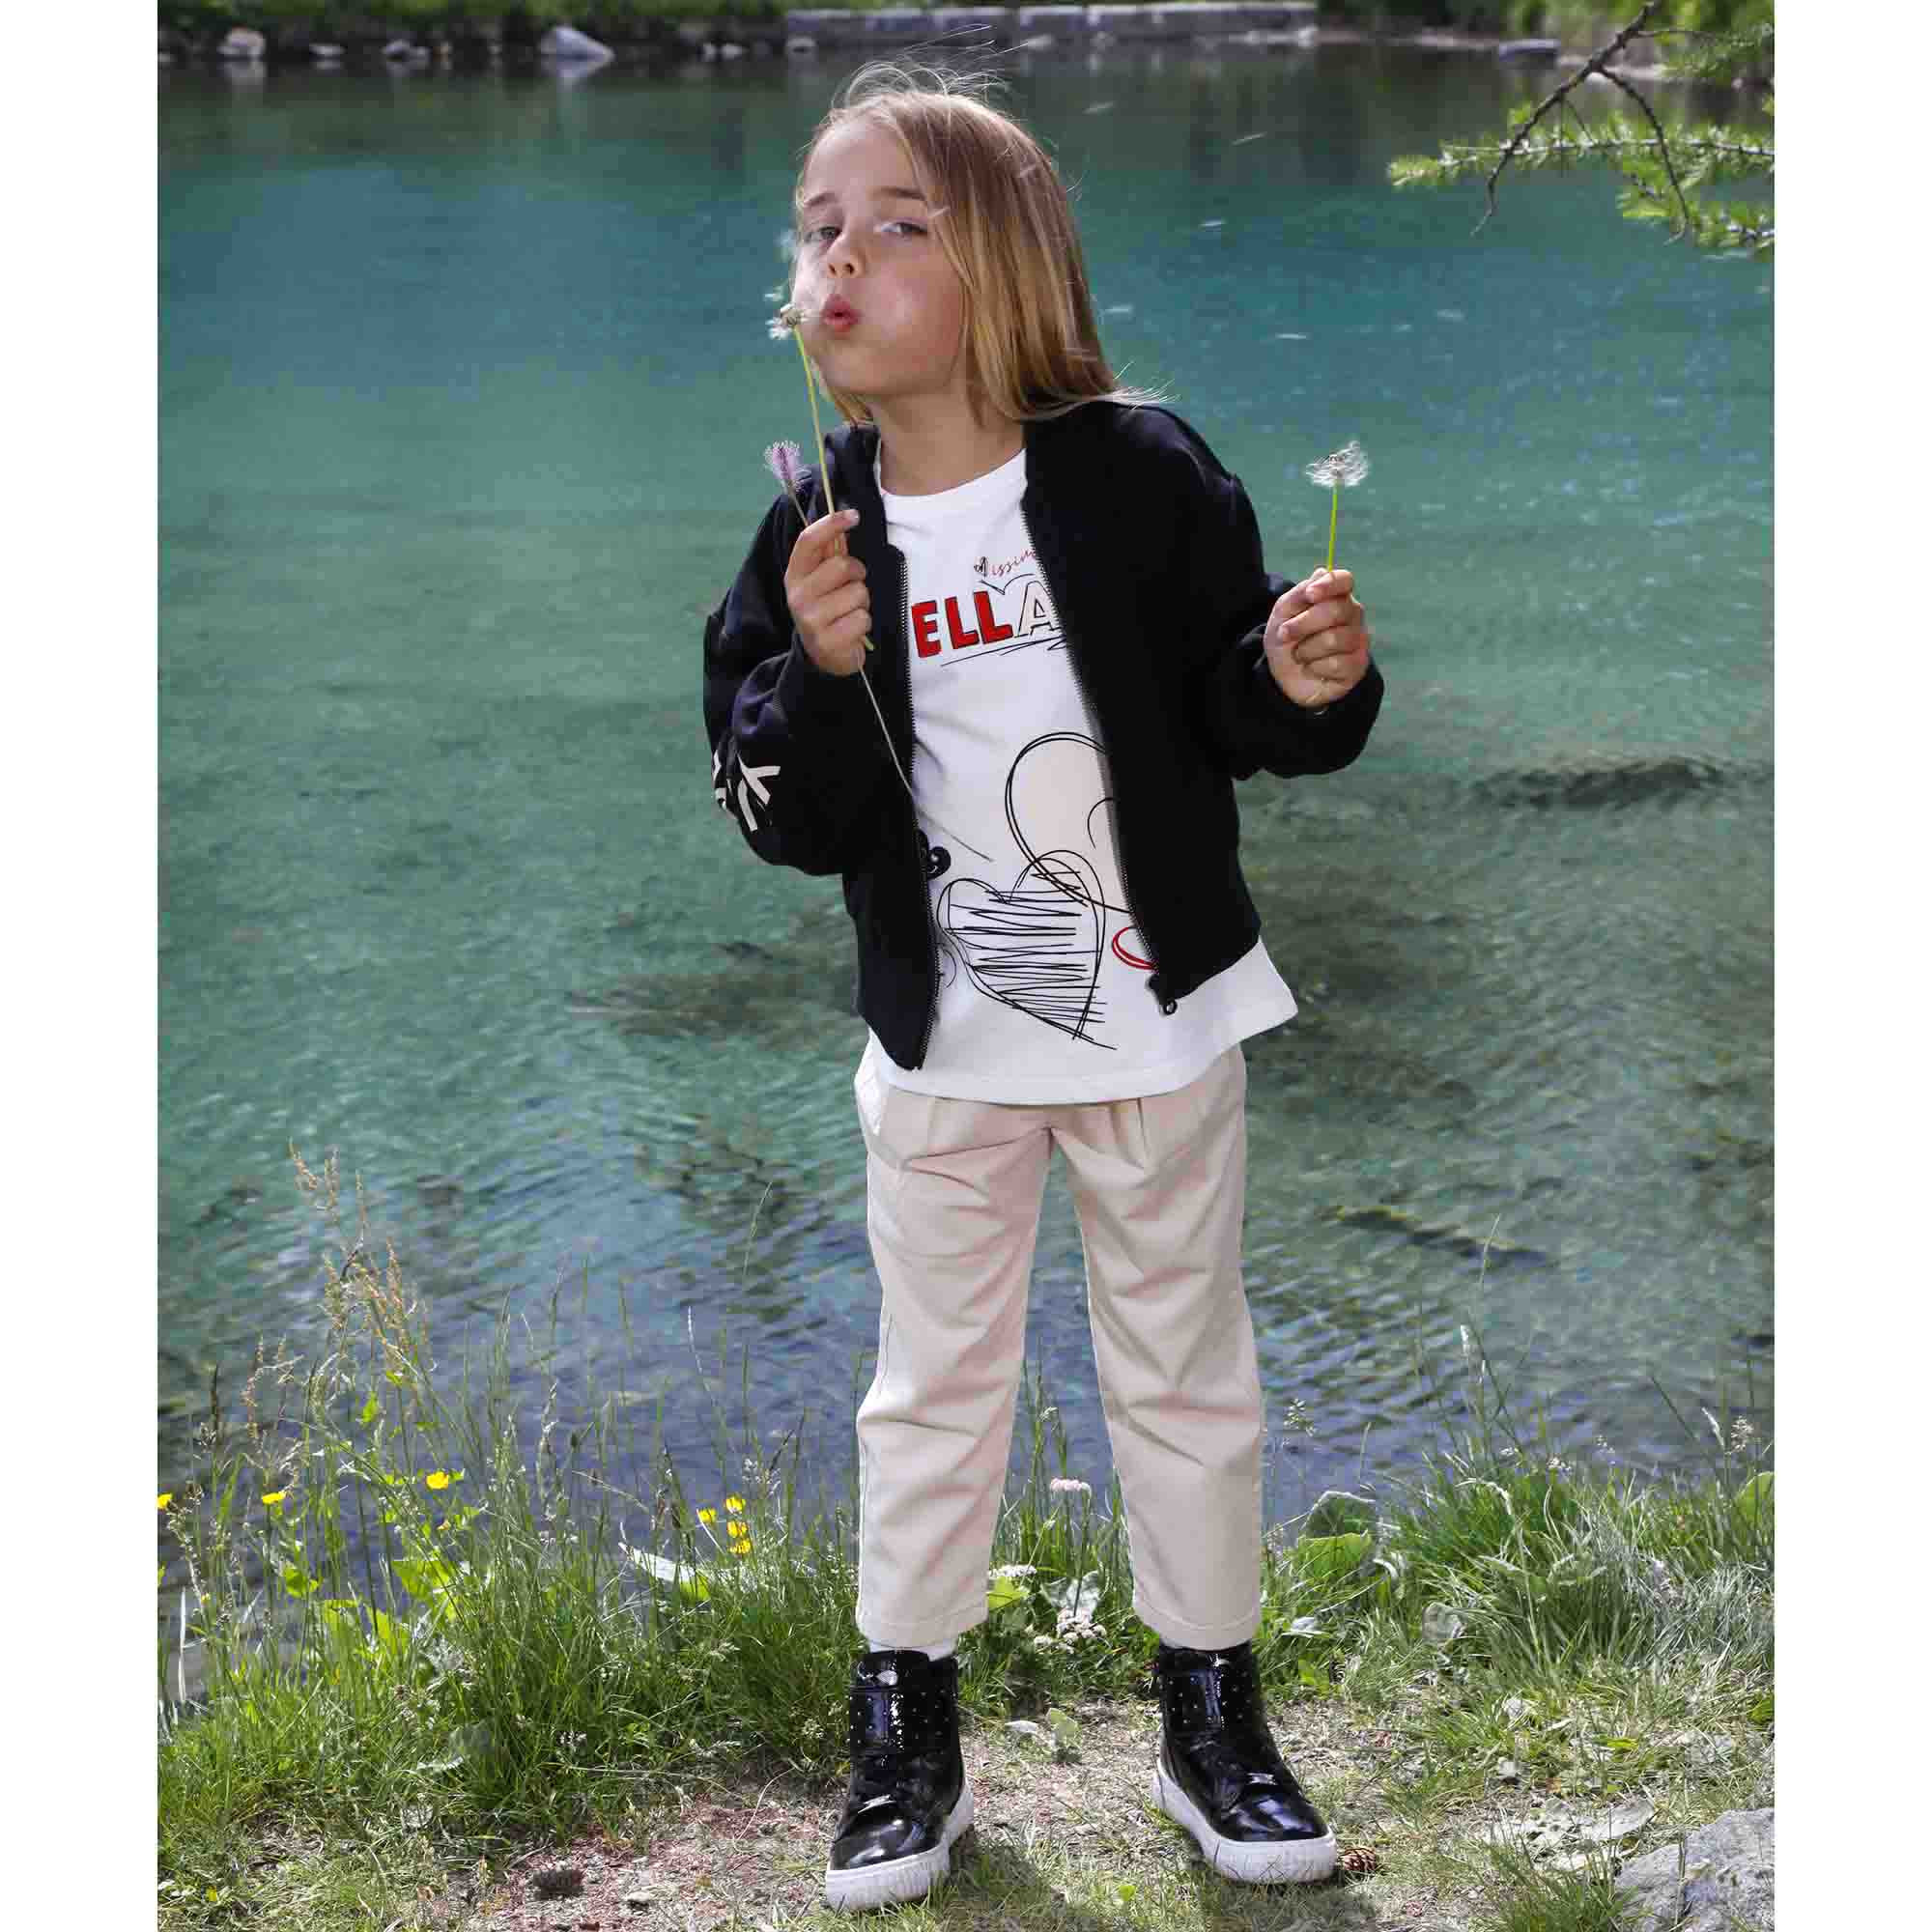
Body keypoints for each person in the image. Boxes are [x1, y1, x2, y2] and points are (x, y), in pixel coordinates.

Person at [701, 61, 1383, 1916]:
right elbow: (773, 809)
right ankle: (903, 1733)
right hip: (943, 1055)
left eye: (893, 226)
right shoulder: (811, 532)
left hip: (1161, 1029)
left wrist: (1301, 679)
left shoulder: (1139, 473)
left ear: (1005, 264)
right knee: (931, 1391)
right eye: (818, 230)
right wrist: (817, 668)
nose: (839, 260)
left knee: (1186, 1376)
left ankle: (1212, 1720)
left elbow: (1232, 699)